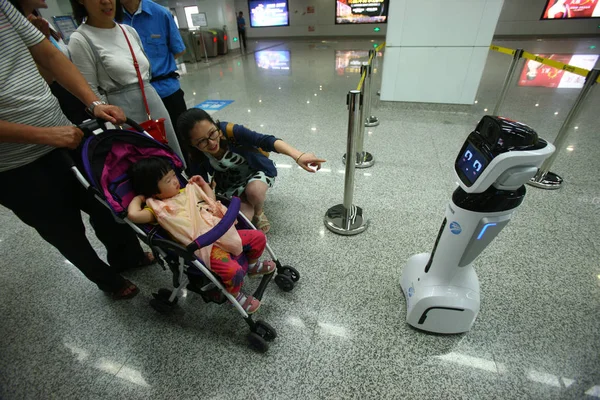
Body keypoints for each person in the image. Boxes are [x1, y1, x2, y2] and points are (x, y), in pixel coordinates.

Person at [0, 0, 153, 299]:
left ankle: (126, 256)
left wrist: (93, 103)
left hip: (67, 135)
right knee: (63, 227)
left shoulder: (4, 8)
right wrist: (46, 136)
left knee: (108, 202)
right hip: (15, 165)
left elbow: (50, 57)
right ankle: (106, 279)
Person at [127, 157, 276, 313]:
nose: (175, 181)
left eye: (173, 175)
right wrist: (139, 198)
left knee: (258, 237)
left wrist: (203, 185)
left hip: (222, 231)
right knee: (232, 271)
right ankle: (236, 296)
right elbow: (134, 216)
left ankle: (252, 266)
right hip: (205, 247)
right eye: (168, 180)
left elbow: (210, 201)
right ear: (153, 191)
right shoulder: (157, 209)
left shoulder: (188, 192)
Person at [67, 0, 186, 163]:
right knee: (145, 166)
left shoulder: (128, 31)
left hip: (152, 100)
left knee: (171, 158)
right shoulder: (80, 39)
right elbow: (89, 89)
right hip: (120, 113)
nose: (106, 2)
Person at [177, 108, 325, 233]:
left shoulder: (230, 131)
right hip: (229, 183)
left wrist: (298, 156)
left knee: (255, 192)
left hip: (255, 170)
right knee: (243, 221)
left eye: (212, 133)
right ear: (192, 145)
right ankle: (249, 206)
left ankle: (259, 211)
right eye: (202, 141)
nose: (211, 142)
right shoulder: (195, 155)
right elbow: (200, 185)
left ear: (215, 125)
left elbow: (266, 140)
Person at [120, 0, 188, 150]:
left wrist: (157, 65)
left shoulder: (160, 13)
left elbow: (179, 49)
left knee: (182, 140)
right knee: (145, 144)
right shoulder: (112, 19)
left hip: (166, 90)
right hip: (133, 97)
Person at [8, 0, 89, 124]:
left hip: (70, 95)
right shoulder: (10, 29)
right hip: (42, 105)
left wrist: (93, 103)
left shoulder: (43, 23)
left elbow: (54, 63)